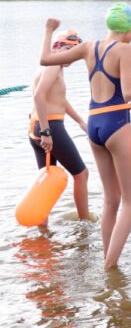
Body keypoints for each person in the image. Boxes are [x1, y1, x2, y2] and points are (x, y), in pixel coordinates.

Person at [39, 4, 131, 269]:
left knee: (111, 200)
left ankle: (110, 266)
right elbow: (129, 92)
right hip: (116, 123)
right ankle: (109, 269)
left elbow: (45, 59)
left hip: (95, 123)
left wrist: (49, 30)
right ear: (129, 28)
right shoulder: (125, 49)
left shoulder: (88, 47)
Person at [29, 29, 90, 221]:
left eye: (74, 52)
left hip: (35, 127)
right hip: (50, 127)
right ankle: (84, 222)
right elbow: (39, 95)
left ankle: (42, 228)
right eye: (67, 49)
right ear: (57, 47)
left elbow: (58, 99)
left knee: (45, 180)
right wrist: (47, 132)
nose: (70, 56)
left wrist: (80, 121)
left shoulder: (49, 66)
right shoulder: (54, 65)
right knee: (81, 174)